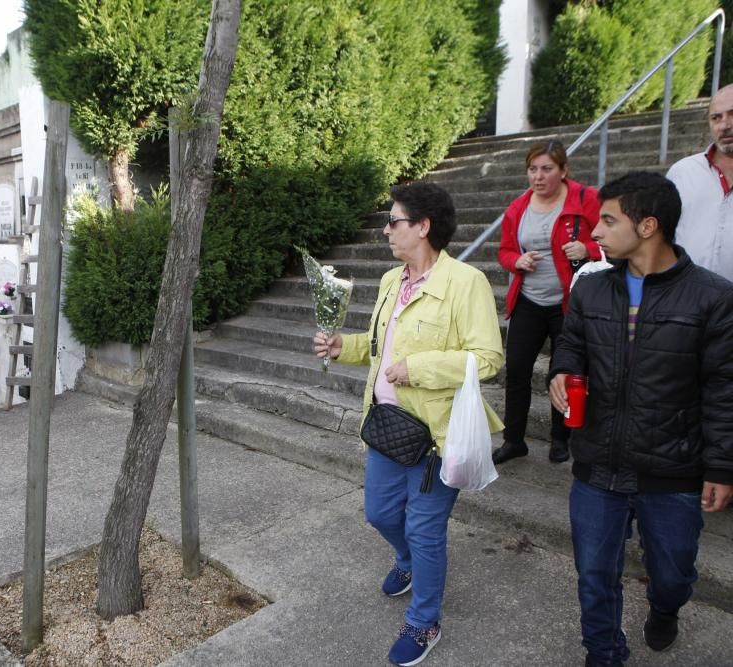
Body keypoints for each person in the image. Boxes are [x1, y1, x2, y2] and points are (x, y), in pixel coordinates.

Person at [313, 182, 504, 666]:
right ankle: (408, 564)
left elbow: (487, 359)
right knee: (379, 514)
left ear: (423, 226)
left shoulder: (466, 283)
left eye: (394, 221)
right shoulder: (389, 281)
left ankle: (424, 622)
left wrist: (419, 368)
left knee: (425, 530)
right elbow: (381, 350)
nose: (386, 229)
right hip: (385, 430)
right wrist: (344, 348)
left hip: (435, 439)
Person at [548, 172, 733, 667]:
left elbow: (723, 387)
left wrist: (720, 467)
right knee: (593, 575)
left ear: (648, 225)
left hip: (671, 468)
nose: (597, 233)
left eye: (609, 221)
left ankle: (666, 608)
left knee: (673, 573)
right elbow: (570, 345)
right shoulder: (591, 289)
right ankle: (603, 652)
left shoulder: (713, 297)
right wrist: (564, 372)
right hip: (597, 463)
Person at [493, 140, 600, 465]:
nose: (538, 176)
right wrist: (517, 261)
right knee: (517, 370)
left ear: (563, 170)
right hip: (529, 301)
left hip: (569, 303)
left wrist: (587, 250)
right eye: (532, 169)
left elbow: (612, 239)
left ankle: (560, 439)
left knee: (563, 371)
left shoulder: (586, 199)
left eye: (546, 169)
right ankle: (513, 440)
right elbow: (504, 251)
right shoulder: (518, 207)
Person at [666, 83, 733, 282]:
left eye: (732, 114)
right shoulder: (682, 173)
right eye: (716, 118)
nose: (725, 125)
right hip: (689, 300)